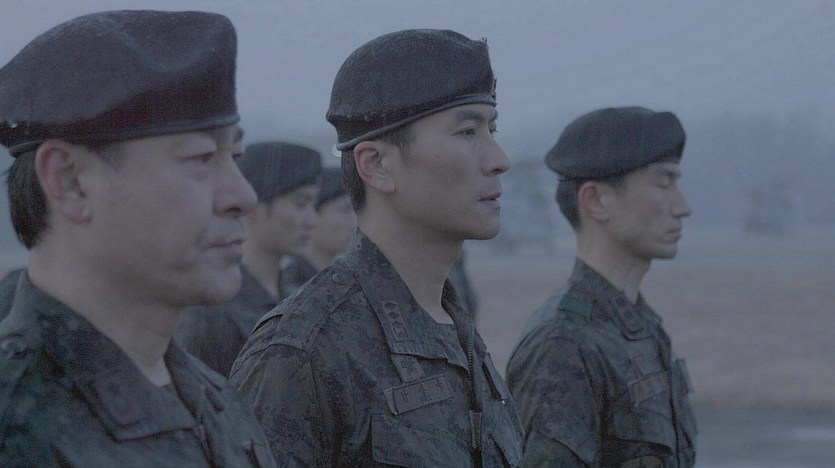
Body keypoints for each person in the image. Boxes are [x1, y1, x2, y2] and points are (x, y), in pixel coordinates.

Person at [231, 29, 523, 466]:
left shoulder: (453, 326)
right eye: (467, 132)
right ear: (377, 164)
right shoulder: (302, 352)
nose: (499, 159)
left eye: (491, 129)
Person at [0, 11, 275, 466]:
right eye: (201, 158)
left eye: (236, 155)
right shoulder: (17, 426)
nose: (243, 197)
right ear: (71, 182)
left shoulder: (214, 396)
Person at [505, 107, 697, 467]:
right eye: (663, 183)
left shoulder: (638, 326)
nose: (683, 207)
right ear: (596, 201)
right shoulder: (563, 346)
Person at [176, 141, 321, 377]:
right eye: (300, 204)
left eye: (313, 205)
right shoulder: (212, 311)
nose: (312, 220)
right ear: (254, 205)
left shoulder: (299, 295)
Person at [279, 167, 356, 296]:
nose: (354, 222)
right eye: (345, 210)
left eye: (355, 210)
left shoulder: (345, 280)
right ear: (314, 211)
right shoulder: (292, 285)